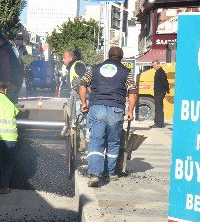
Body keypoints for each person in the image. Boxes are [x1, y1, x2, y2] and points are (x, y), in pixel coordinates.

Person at [79, 46, 138, 187]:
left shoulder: (95, 69)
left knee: (96, 140)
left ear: (108, 56)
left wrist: (83, 102)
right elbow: (133, 92)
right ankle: (109, 173)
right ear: (121, 58)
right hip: (116, 110)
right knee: (113, 142)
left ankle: (94, 174)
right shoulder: (125, 72)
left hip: (97, 107)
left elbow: (82, 84)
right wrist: (130, 111)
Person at [0, 33, 24, 104]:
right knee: (12, 105)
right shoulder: (12, 48)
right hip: (16, 82)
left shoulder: (4, 50)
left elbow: (5, 66)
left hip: (8, 84)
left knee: (3, 105)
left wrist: (7, 81)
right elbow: (20, 63)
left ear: (1, 41)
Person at [60, 49, 86, 136]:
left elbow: (84, 81)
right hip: (75, 96)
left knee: (81, 119)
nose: (62, 60)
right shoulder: (72, 66)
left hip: (79, 97)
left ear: (70, 58)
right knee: (75, 119)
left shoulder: (78, 65)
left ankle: (84, 138)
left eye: (64, 58)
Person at [152, 60, 170, 128]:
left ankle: (159, 124)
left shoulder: (161, 72)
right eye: (153, 65)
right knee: (157, 108)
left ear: (158, 64)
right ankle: (157, 123)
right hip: (157, 93)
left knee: (159, 109)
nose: (154, 67)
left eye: (155, 65)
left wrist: (167, 89)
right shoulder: (158, 72)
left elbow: (165, 82)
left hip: (160, 93)